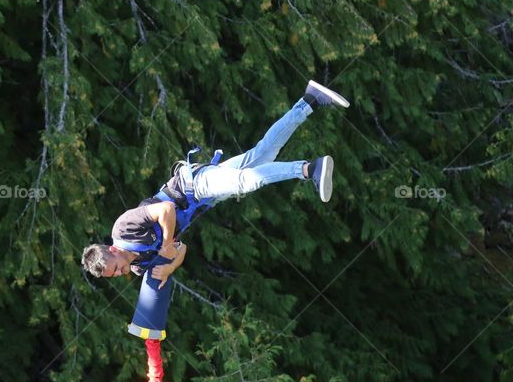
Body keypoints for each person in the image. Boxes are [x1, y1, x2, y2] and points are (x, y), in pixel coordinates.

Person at [81, 80, 350, 286]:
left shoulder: (124, 228)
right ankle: (310, 99)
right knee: (263, 153)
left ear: (113, 250)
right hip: (206, 199)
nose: (120, 273)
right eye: (114, 275)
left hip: (194, 185)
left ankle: (308, 169)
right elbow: (181, 248)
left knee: (246, 182)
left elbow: (166, 211)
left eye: (115, 267)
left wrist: (164, 245)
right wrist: (171, 265)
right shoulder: (141, 266)